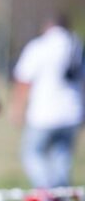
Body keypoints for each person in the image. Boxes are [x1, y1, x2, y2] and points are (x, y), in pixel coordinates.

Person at [12, 13, 84, 189]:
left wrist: (17, 108)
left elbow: (23, 80)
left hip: (44, 113)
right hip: (73, 112)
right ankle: (61, 196)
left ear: (48, 26)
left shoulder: (39, 46)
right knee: (62, 156)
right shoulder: (77, 47)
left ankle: (47, 193)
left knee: (31, 154)